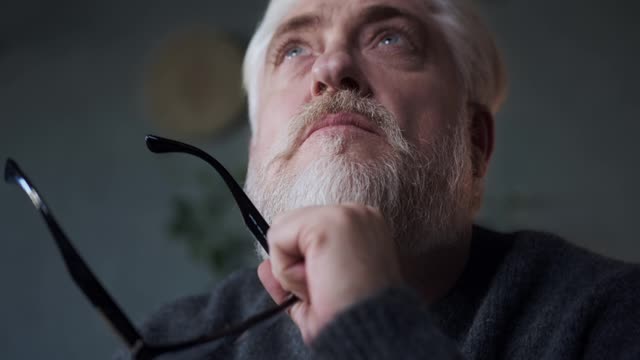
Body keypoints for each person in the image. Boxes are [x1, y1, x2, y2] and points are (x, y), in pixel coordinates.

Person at [118, 0, 640, 358]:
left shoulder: (610, 317)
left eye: (390, 38)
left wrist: (371, 326)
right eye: (295, 49)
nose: (334, 65)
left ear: (475, 146)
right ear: (257, 149)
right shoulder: (179, 342)